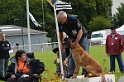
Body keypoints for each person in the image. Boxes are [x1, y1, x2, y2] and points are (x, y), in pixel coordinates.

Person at [57, 11, 89, 78]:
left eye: (60, 20)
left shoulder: (74, 19)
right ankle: (71, 72)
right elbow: (60, 33)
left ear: (64, 18)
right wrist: (61, 43)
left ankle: (86, 71)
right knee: (72, 55)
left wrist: (76, 42)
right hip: (72, 38)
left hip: (82, 36)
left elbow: (80, 31)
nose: (59, 22)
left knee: (85, 53)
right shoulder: (60, 24)